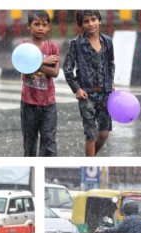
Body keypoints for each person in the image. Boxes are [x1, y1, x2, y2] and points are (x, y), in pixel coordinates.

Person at [63, 10, 115, 157]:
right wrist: (77, 89)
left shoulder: (107, 42)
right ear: (81, 24)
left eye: (93, 19)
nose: (91, 24)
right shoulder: (77, 44)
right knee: (91, 134)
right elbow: (67, 69)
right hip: (86, 95)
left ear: (99, 20)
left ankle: (90, 157)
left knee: (104, 134)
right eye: (86, 21)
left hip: (105, 93)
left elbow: (110, 64)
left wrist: (110, 82)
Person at [20, 11, 60, 157]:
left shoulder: (52, 47)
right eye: (36, 24)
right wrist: (44, 61)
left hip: (49, 104)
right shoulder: (24, 47)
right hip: (28, 103)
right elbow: (22, 65)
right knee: (29, 144)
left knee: (49, 143)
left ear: (48, 27)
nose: (40, 28)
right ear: (29, 27)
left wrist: (33, 64)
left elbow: (55, 73)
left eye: (44, 25)